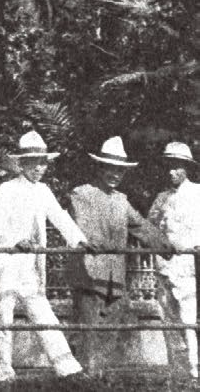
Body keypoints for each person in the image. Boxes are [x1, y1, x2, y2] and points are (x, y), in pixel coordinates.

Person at [0, 130, 91, 382]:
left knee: (44, 314)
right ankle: (4, 372)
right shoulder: (6, 189)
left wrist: (80, 240)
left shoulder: (43, 190)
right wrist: (14, 241)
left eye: (42, 163)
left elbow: (60, 216)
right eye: (33, 163)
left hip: (30, 268)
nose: (39, 168)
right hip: (5, 264)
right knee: (3, 319)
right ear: (21, 164)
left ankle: (68, 368)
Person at [66, 136, 172, 373]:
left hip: (115, 276)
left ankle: (100, 376)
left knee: (113, 325)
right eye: (110, 169)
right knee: (88, 327)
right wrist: (97, 243)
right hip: (90, 272)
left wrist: (166, 246)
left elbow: (140, 226)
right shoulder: (82, 193)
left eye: (120, 171)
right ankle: (85, 377)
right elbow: (84, 228)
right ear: (100, 167)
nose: (115, 175)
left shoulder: (121, 200)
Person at [148, 141, 200, 380]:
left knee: (189, 319)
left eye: (177, 166)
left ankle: (194, 370)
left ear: (186, 168)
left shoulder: (197, 194)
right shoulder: (160, 198)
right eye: (168, 166)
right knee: (168, 318)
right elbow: (150, 228)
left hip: (189, 267)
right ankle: (176, 372)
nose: (171, 172)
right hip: (164, 267)